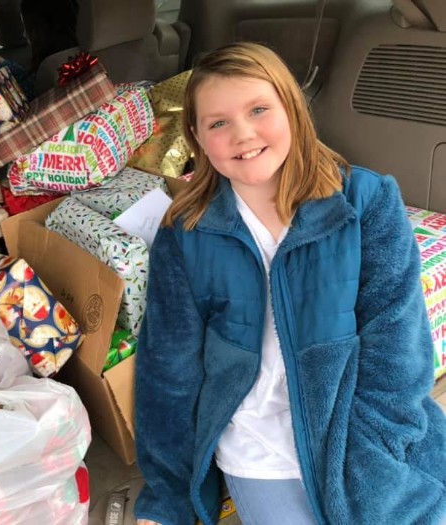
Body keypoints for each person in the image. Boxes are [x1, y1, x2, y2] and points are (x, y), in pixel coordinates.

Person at [134, 42, 446, 525]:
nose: (243, 134)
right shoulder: (185, 235)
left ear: (292, 107)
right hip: (258, 446)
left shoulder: (366, 202)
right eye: (217, 123)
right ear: (196, 136)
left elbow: (398, 350)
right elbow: (167, 374)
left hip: (364, 435)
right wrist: (167, 497)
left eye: (259, 109)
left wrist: (374, 451)